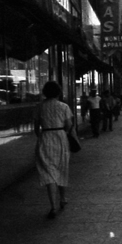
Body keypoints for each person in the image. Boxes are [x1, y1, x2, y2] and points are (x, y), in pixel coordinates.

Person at [33, 81, 73, 219]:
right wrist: (63, 133)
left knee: (49, 172)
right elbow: (69, 125)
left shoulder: (39, 107)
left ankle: (53, 207)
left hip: (45, 138)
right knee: (62, 168)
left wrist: (43, 136)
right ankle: (62, 198)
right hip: (60, 137)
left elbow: (36, 127)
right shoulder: (64, 107)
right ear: (58, 92)